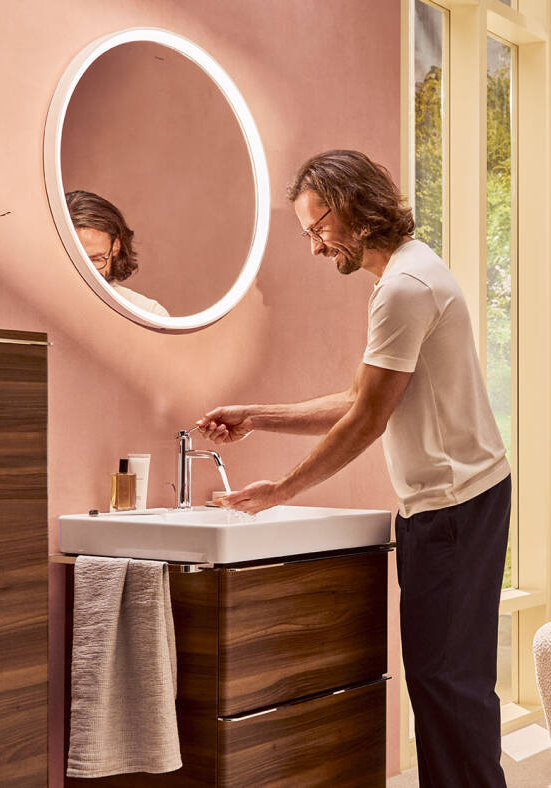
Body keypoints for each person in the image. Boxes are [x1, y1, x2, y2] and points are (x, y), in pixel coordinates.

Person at [196, 150, 510, 787]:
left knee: (446, 683)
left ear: (355, 212)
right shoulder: (408, 273)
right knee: (450, 681)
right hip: (463, 499)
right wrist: (258, 416)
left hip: (451, 507)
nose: (314, 248)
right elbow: (360, 398)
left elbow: (367, 419)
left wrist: (281, 490)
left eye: (317, 229)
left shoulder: (403, 288)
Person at [66, 189, 170, 317]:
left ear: (116, 245)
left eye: (96, 259)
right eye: (73, 260)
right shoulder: (36, 312)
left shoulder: (149, 313)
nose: (85, 272)